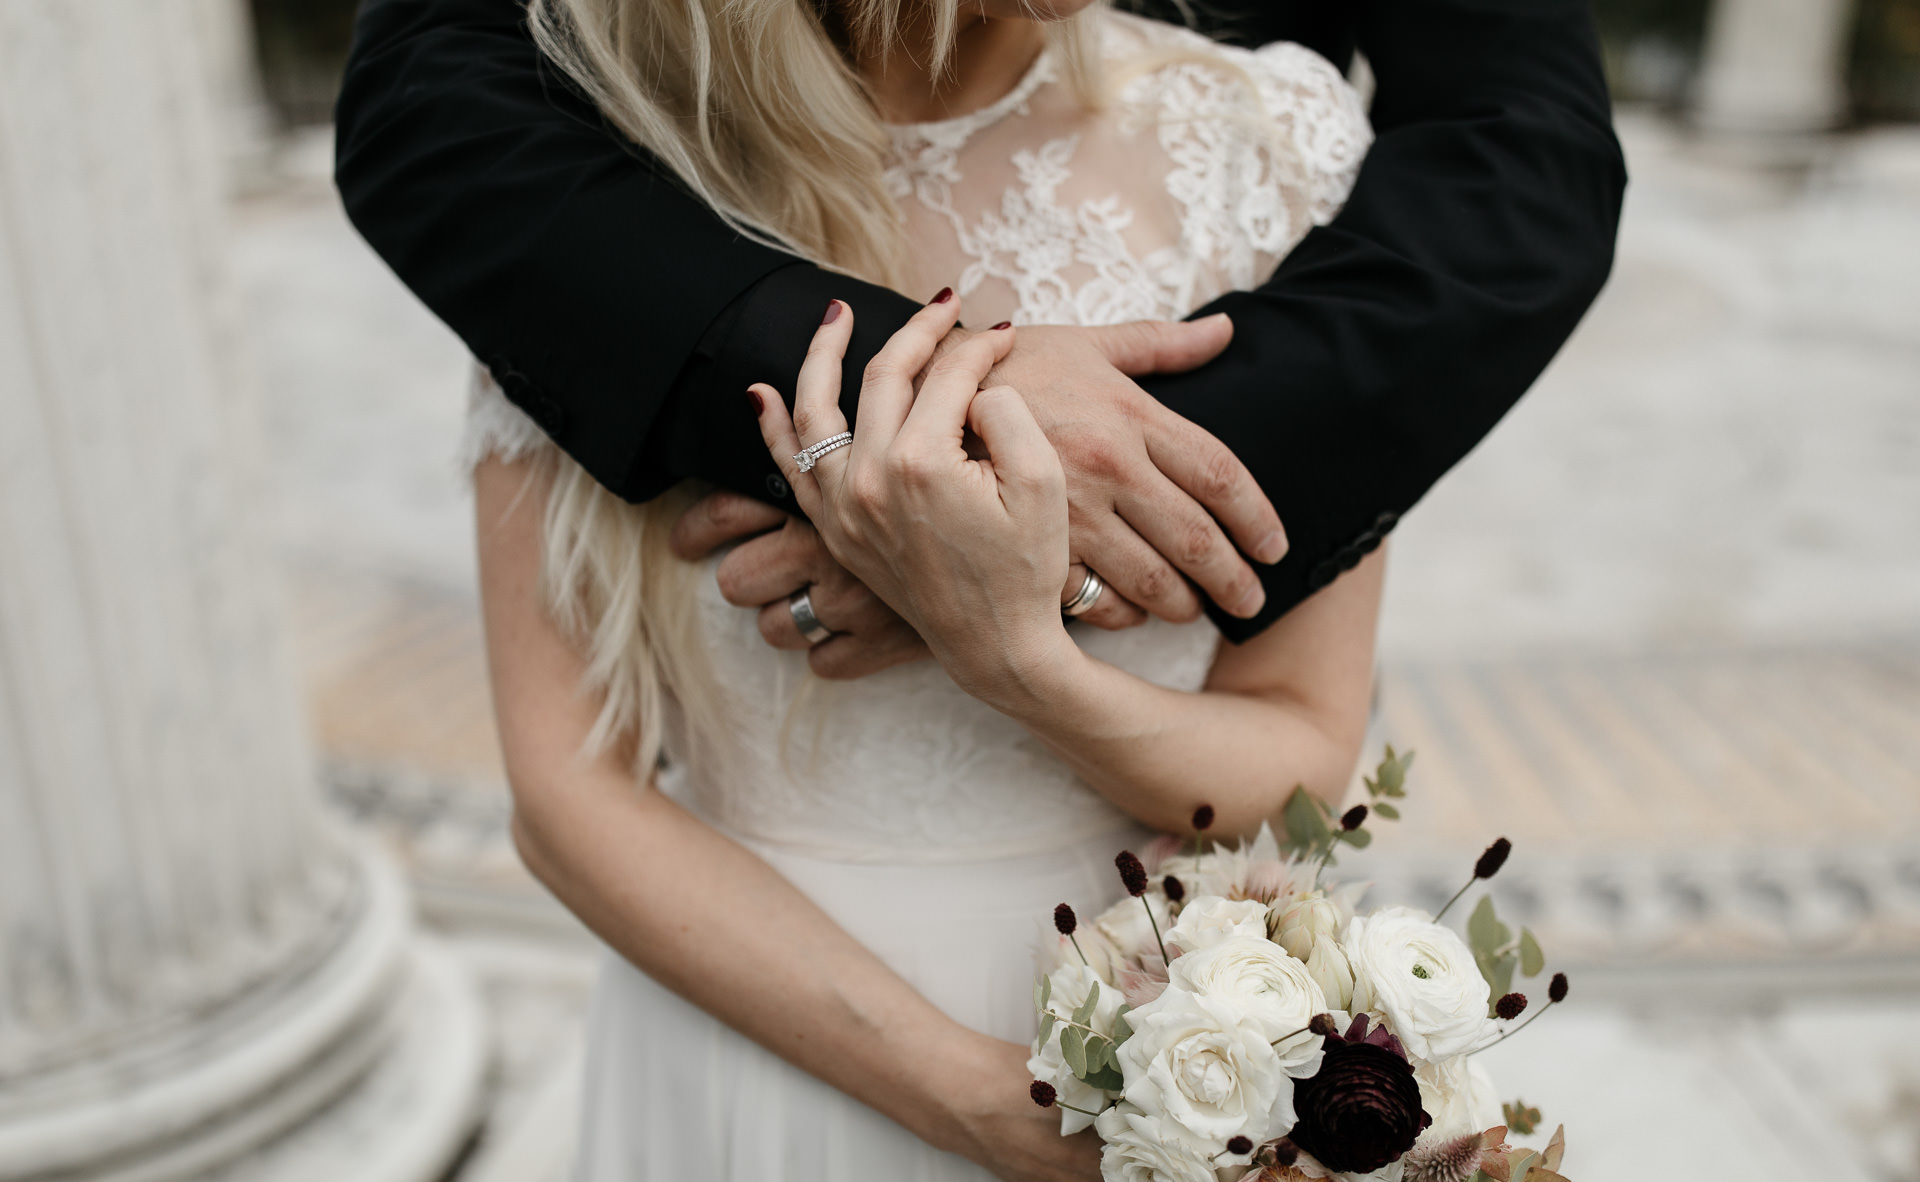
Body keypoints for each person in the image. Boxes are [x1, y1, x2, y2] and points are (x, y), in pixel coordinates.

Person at [461, 0, 1407, 1182]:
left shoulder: (1264, 142)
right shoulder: (595, 180)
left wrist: (1015, 660)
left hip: (1158, 1092)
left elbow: (1299, 748)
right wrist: (987, 1107)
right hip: (760, 1056)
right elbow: (566, 794)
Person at [336, 0, 1626, 667]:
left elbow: (1522, 147)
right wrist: (905, 415)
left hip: (1186, 242)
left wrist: (1035, 505)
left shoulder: (1259, 132)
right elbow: (427, 86)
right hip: (774, 174)